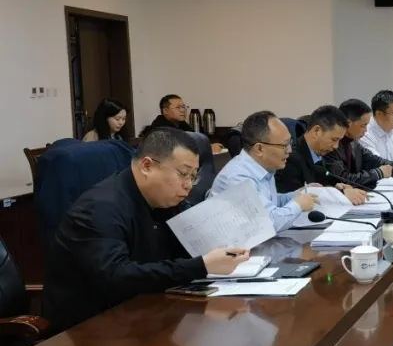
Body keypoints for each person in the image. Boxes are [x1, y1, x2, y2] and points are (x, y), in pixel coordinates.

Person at [44, 128, 250, 332]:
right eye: (183, 174)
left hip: (144, 313)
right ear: (147, 166)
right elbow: (118, 277)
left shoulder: (164, 201)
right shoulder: (99, 209)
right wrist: (201, 265)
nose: (188, 185)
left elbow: (176, 254)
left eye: (193, 177)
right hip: (90, 329)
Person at [210, 111, 318, 232]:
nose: (289, 150)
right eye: (284, 145)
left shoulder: (263, 168)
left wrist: (298, 194)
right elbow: (268, 223)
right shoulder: (238, 177)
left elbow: (271, 203)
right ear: (260, 148)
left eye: (290, 143)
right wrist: (298, 205)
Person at [275, 105, 368, 204]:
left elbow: (321, 185)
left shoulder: (320, 155)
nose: (336, 146)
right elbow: (297, 200)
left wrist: (337, 188)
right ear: (316, 131)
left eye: (339, 141)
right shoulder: (290, 158)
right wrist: (341, 194)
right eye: (334, 139)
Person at [328, 99, 393, 188]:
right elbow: (342, 179)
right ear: (348, 123)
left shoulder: (353, 143)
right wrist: (378, 173)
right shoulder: (330, 146)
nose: (366, 130)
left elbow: (375, 161)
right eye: (363, 125)